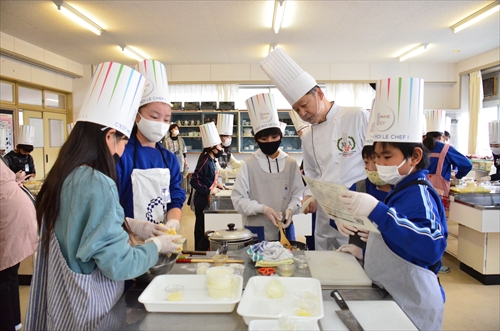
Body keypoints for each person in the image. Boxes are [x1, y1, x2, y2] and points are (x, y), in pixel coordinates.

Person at [25, 62, 182, 330]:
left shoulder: (68, 174)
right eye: (122, 140)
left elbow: (82, 223)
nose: (121, 150)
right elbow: (118, 264)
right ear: (110, 135)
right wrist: (156, 246)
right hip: (91, 309)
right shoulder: (97, 182)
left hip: (63, 301)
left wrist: (135, 225)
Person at [339, 77, 447, 331]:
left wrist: (377, 210)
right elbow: (400, 247)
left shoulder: (419, 194)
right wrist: (365, 253)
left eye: (387, 157)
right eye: (376, 157)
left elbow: (430, 247)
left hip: (415, 302)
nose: (380, 165)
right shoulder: (399, 191)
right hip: (395, 294)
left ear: (415, 156)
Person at [260, 46, 368, 250]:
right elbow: (312, 174)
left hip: (356, 210)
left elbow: (374, 164)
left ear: (319, 94)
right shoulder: (308, 136)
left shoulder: (356, 116)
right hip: (325, 215)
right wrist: (309, 197)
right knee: (326, 264)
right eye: (296, 109)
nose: (302, 113)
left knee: (356, 266)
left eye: (304, 105)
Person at [117, 59, 185, 231]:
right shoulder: (121, 153)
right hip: (125, 238)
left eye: (166, 119)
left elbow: (175, 195)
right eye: (154, 117)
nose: (161, 123)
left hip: (160, 236)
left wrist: (172, 223)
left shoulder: (168, 158)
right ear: (137, 116)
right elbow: (110, 203)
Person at [231, 93, 303, 242]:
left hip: (284, 228)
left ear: (281, 138)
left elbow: (298, 194)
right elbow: (238, 200)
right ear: (256, 140)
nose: (269, 141)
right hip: (255, 230)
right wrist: (263, 209)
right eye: (264, 139)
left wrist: (291, 210)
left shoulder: (290, 163)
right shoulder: (249, 164)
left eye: (274, 137)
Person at [0, 160, 38, 331]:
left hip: (9, 214)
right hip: (19, 211)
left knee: (2, 278)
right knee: (9, 275)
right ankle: (15, 323)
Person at [334, 142, 392, 251]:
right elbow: (338, 208)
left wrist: (380, 234)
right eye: (366, 162)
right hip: (359, 258)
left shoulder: (401, 193)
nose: (370, 168)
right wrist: (339, 218)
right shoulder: (359, 187)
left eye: (375, 162)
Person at [190, 122, 226, 250]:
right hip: (201, 201)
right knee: (201, 229)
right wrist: (209, 190)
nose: (221, 148)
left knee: (204, 227)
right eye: (219, 145)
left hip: (206, 199)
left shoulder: (211, 160)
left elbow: (208, 179)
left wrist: (217, 184)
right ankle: (199, 253)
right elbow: (194, 180)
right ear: (212, 147)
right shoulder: (205, 160)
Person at [215, 113, 242, 182]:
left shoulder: (226, 151)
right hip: (211, 182)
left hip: (219, 183)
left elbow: (236, 164)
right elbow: (219, 172)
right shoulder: (213, 152)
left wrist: (247, 164)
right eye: (226, 136)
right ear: (219, 137)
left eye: (230, 136)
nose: (229, 139)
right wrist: (238, 172)